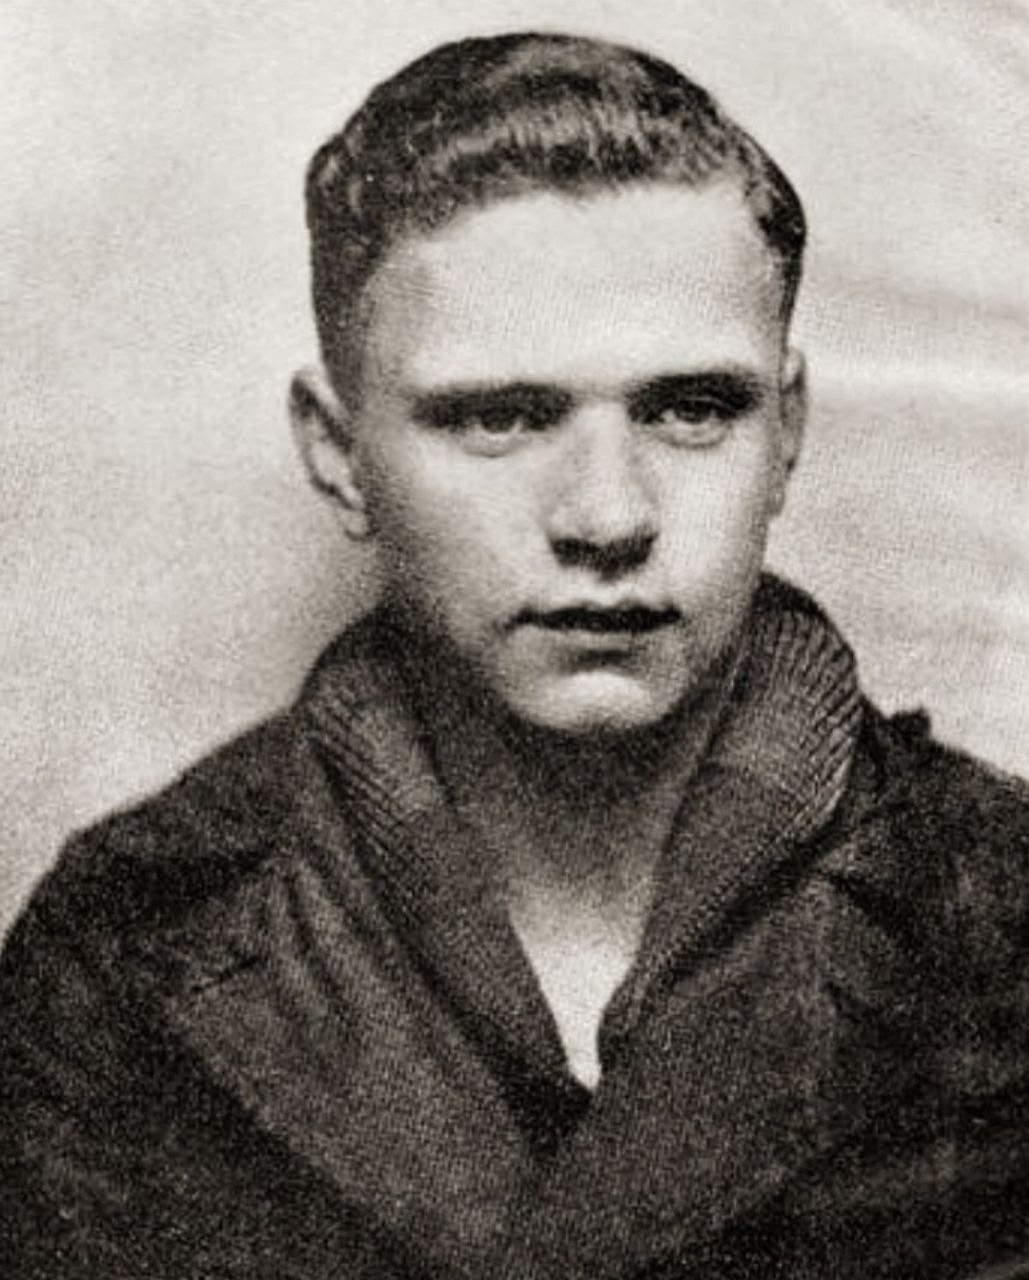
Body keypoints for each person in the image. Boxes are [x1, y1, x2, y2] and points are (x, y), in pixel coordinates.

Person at [2, 31, 1027, 1280]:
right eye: (499, 416)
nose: (608, 514)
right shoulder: (125, 946)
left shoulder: (1002, 914)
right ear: (338, 451)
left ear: (789, 431)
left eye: (692, 409)